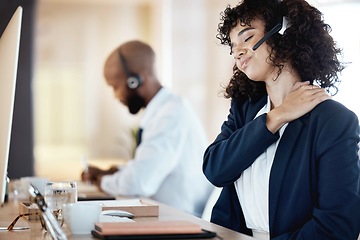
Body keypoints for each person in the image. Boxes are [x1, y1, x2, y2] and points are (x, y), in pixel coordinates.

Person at [202, 0, 360, 239]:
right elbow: (215, 169)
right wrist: (276, 117)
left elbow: (336, 226)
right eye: (233, 46)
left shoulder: (334, 121)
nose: (237, 52)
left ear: (284, 32)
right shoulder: (245, 109)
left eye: (247, 38)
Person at [82, 40, 213, 217]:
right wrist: (113, 171)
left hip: (181, 223)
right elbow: (148, 165)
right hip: (166, 218)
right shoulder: (162, 111)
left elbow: (140, 181)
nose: (115, 95)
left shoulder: (171, 115)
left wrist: (102, 181)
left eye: (115, 86)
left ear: (135, 80)